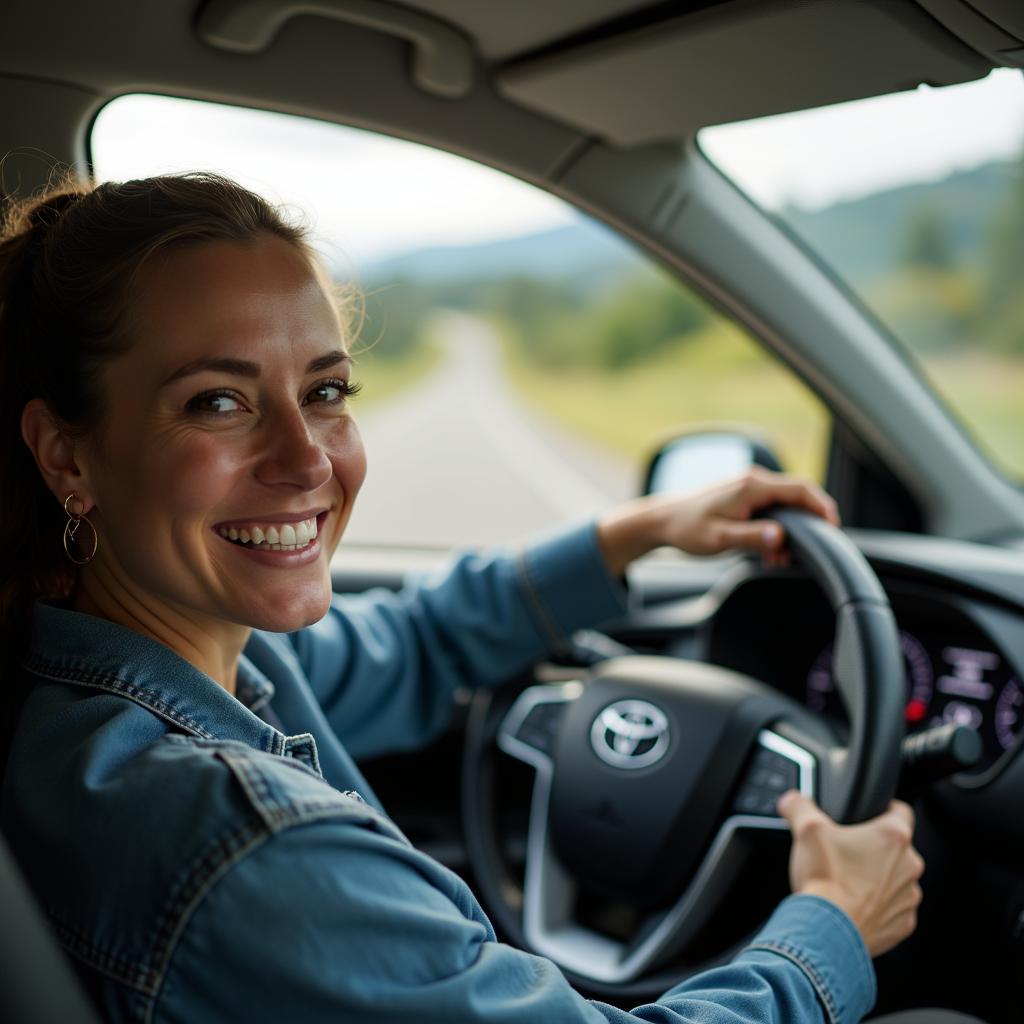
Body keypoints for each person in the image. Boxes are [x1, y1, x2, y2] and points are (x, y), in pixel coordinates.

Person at [0, 172, 951, 1024]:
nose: (307, 460)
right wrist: (830, 924)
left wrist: (640, 531)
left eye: (326, 390)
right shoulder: (246, 848)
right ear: (66, 455)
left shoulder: (129, 675)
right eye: (219, 401)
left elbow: (418, 643)